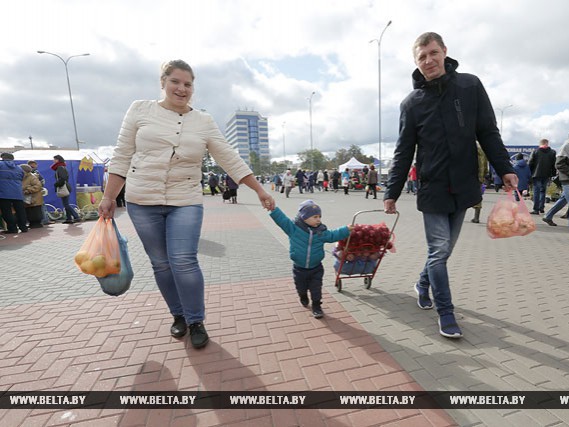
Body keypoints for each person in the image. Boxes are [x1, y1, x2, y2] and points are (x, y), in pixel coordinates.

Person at [98, 59, 275, 350]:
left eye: (188, 84)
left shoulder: (203, 120)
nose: (182, 89)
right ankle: (178, 315)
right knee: (161, 264)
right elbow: (122, 155)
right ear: (163, 82)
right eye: (175, 82)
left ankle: (196, 320)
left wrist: (258, 190)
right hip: (142, 200)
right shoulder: (140, 109)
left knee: (183, 260)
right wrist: (108, 197)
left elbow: (228, 156)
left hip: (185, 200)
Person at [383, 32, 517, 339]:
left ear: (444, 51)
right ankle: (446, 313)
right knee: (439, 250)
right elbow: (404, 151)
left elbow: (488, 132)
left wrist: (505, 169)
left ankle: (422, 284)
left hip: (464, 185)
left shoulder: (470, 86)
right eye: (422, 57)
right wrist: (392, 192)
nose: (428, 61)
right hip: (432, 188)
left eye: (433, 53)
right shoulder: (411, 104)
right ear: (416, 62)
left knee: (442, 252)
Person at [268, 200, 352, 318]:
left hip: (316, 267)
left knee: (316, 289)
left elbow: (333, 235)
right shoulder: (293, 229)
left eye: (319, 217)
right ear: (304, 217)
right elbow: (282, 221)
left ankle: (317, 306)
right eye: (315, 217)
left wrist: (346, 230)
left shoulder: (321, 232)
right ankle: (303, 296)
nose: (318, 219)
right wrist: (274, 210)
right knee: (301, 287)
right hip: (299, 268)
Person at [0, 152, 29, 234]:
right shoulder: (18, 168)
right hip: (17, 192)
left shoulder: (0, 165)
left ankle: (12, 228)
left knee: (6, 211)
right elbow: (22, 177)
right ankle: (23, 227)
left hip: (3, 193)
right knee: (20, 211)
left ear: (3, 157)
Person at [528, 138, 557, 215]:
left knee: (536, 191)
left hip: (536, 174)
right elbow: (554, 164)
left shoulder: (535, 151)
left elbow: (530, 163)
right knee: (543, 191)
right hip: (547, 174)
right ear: (547, 143)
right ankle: (541, 208)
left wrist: (530, 174)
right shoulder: (552, 152)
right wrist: (553, 174)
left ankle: (536, 209)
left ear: (540, 144)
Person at [52, 155, 81, 224]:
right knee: (66, 204)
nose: (53, 161)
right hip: (65, 187)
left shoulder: (60, 168)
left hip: (64, 187)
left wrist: (56, 184)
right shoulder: (62, 167)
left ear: (58, 160)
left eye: (54, 159)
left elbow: (63, 178)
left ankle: (76, 216)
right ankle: (69, 218)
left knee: (66, 204)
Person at [20, 164, 44, 228]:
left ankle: (36, 224)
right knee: (29, 211)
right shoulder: (24, 177)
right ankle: (32, 223)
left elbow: (38, 186)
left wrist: (28, 190)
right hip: (28, 198)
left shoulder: (32, 177)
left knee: (35, 212)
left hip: (34, 198)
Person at [470, 143, 488, 224]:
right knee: (478, 196)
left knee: (460, 194)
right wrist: (483, 175)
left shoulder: (468, 146)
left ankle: (455, 217)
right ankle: (476, 217)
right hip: (479, 176)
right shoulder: (483, 149)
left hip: (468, 175)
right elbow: (485, 165)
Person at [28, 160, 50, 225]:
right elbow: (42, 181)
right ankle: (44, 220)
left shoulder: (27, 173)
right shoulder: (36, 172)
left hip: (30, 192)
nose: (36, 166)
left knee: (32, 207)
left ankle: (35, 221)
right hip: (37, 192)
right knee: (41, 206)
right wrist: (40, 187)